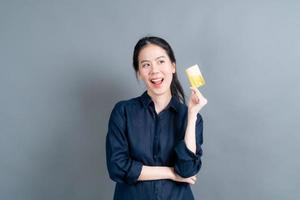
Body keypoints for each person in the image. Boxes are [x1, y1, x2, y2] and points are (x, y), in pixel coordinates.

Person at [105, 36, 207, 200]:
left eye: (161, 61)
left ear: (173, 66)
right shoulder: (123, 111)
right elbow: (117, 167)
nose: (154, 70)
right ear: (139, 73)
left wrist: (192, 115)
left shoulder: (191, 117)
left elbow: (186, 170)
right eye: (146, 65)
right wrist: (170, 173)